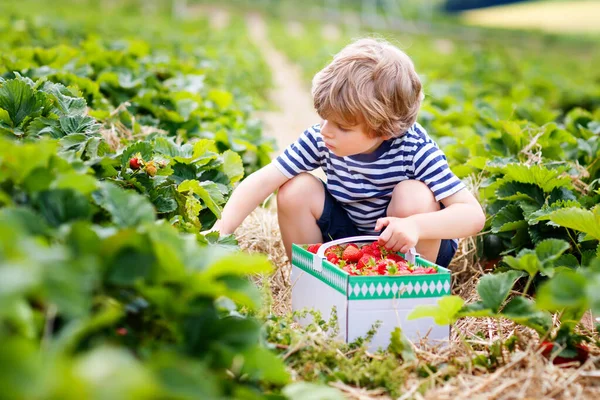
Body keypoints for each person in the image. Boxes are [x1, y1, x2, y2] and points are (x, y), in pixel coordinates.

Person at [212, 37, 485, 268]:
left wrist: (416, 226)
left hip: (414, 241)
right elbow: (263, 180)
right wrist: (219, 233)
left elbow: (473, 216)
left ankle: (405, 292)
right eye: (324, 118)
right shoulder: (322, 138)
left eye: (342, 126)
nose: (326, 131)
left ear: (384, 131)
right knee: (294, 189)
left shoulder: (414, 149)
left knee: (413, 196)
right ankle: (313, 279)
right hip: (351, 236)